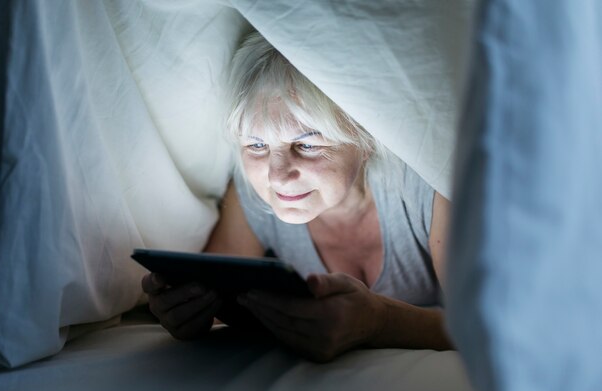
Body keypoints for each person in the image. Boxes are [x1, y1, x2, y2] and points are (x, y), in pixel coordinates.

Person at [142, 31, 452, 362]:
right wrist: (188, 314)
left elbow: (490, 326)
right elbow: (211, 302)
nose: (277, 176)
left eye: (306, 144)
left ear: (367, 139)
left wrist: (378, 321)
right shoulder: (251, 192)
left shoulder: (428, 188)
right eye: (257, 145)